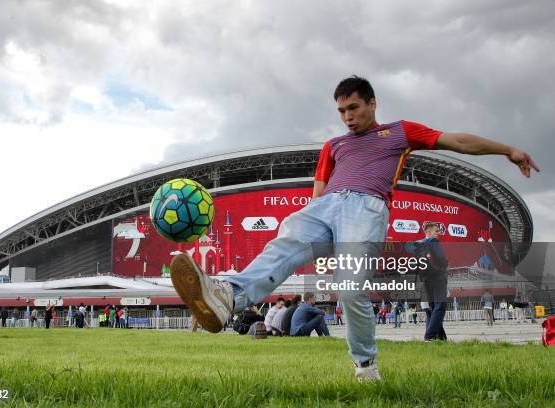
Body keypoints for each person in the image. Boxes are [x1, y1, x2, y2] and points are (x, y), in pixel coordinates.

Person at [168, 76, 539, 382]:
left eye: (354, 108)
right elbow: (319, 189)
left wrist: (507, 150)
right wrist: (311, 215)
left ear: (372, 103)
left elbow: (456, 141)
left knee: (350, 290)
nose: (347, 116)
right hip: (326, 206)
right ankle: (227, 297)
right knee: (286, 238)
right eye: (341, 110)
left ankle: (365, 366)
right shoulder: (334, 145)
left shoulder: (399, 132)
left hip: (367, 206)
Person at [413, 222, 449, 341]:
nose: (439, 233)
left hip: (426, 279)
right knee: (440, 305)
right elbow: (441, 258)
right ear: (428, 232)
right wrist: (445, 264)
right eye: (436, 231)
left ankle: (441, 337)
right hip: (438, 277)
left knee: (434, 307)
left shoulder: (418, 244)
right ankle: (429, 336)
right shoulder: (433, 241)